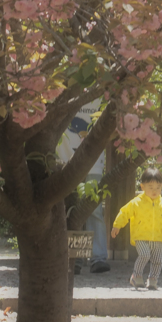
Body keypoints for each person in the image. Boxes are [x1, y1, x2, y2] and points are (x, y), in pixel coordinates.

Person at [58, 112, 110, 273]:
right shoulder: (66, 95)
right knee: (73, 208)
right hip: (68, 160)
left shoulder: (104, 96)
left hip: (95, 162)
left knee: (94, 208)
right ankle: (76, 257)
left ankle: (98, 257)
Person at [111, 167, 162, 290]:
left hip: (157, 237)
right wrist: (117, 225)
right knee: (145, 254)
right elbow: (125, 212)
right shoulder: (137, 202)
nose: (154, 191)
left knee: (158, 260)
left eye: (158, 187)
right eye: (150, 187)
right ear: (142, 187)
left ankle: (152, 279)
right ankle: (136, 275)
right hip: (140, 236)